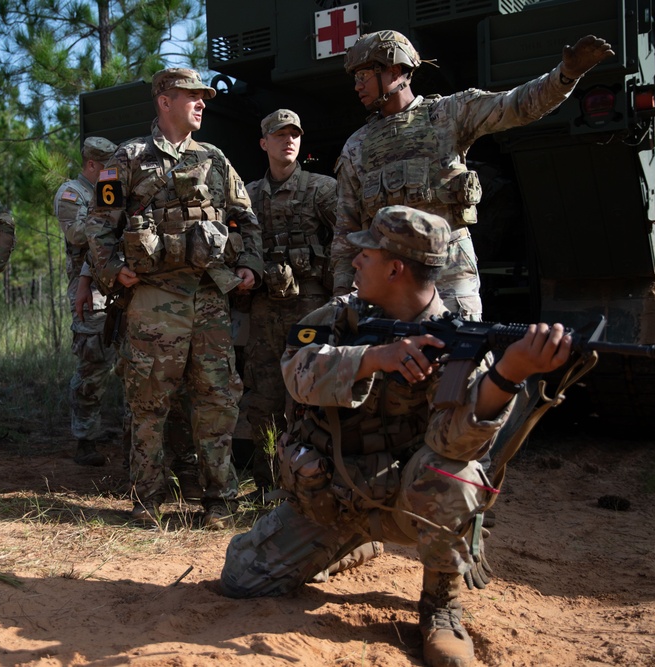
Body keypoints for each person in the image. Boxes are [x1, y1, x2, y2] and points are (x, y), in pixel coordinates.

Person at [221, 205, 573, 667]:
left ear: (395, 268)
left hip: (408, 504)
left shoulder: (461, 342)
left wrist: (508, 375)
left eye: (367, 252)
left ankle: (441, 607)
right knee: (240, 578)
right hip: (332, 496)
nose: (356, 259)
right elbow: (296, 373)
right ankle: (352, 545)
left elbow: (456, 446)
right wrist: (374, 358)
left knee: (453, 475)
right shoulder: (338, 316)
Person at [331, 30, 615, 320]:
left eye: (363, 76)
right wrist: (343, 302)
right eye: (355, 78)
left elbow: (516, 105)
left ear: (393, 70)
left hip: (449, 275)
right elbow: (346, 231)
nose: (357, 86)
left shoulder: (448, 114)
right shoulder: (357, 146)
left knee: (456, 358)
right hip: (388, 281)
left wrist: (565, 75)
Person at [85, 67, 263, 528]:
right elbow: (100, 223)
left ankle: (220, 501)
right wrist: (110, 270)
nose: (202, 103)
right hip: (152, 298)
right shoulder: (126, 159)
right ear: (164, 101)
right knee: (147, 403)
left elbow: (245, 219)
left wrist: (249, 264)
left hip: (207, 299)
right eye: (192, 96)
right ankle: (146, 501)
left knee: (217, 399)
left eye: (204, 97)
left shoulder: (216, 159)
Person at [240, 109, 336, 490]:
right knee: (264, 397)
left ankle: (314, 482)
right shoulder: (247, 196)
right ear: (264, 143)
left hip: (310, 309)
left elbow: (347, 237)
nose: (289, 141)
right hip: (265, 310)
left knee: (311, 397)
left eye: (295, 134)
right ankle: (268, 484)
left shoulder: (321, 189)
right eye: (280, 135)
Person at [54, 136, 119, 466]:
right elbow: (78, 235)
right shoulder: (72, 193)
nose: (113, 174)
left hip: (117, 281)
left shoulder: (111, 191)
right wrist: (105, 216)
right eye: (107, 167)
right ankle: (85, 438)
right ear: (92, 165)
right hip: (89, 289)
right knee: (92, 363)